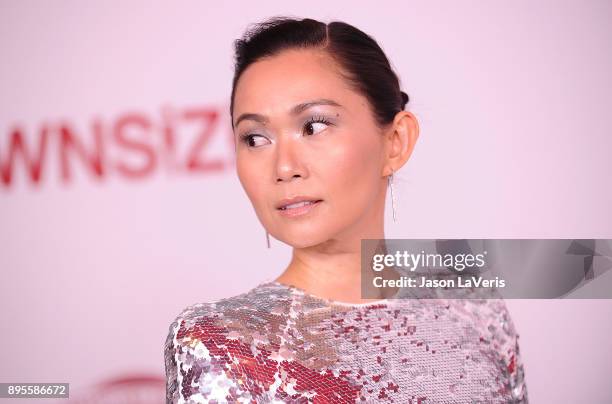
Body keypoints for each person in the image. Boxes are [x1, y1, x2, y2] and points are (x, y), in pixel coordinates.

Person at [164, 16, 528, 403]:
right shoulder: (220, 343)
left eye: (314, 126)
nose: (285, 167)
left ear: (396, 142)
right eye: (255, 138)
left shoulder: (472, 305)